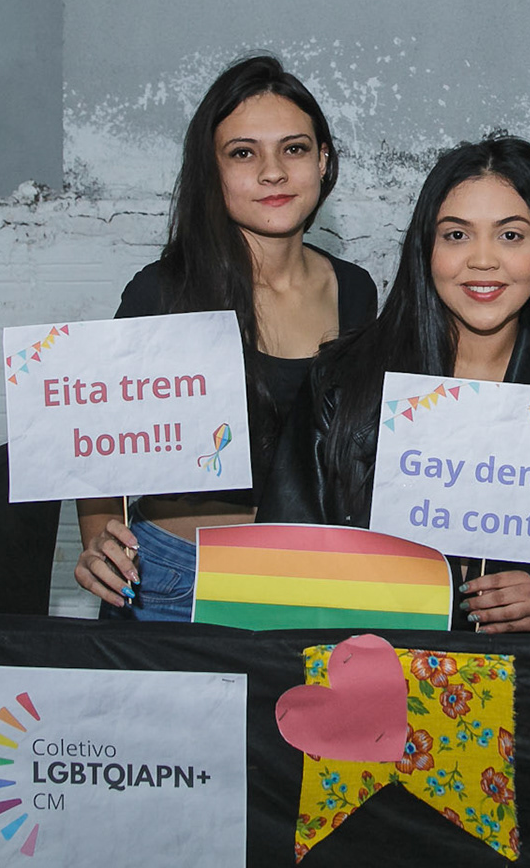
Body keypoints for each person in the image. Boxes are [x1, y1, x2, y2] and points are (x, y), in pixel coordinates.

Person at [261, 138, 530, 634]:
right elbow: (282, 563)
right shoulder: (344, 381)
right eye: (457, 235)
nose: (483, 260)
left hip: (527, 676)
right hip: (368, 665)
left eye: (511, 235)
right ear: (426, 248)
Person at [74, 56, 377, 619]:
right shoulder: (162, 292)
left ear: (322, 159)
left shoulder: (356, 290)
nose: (272, 172)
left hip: (315, 579)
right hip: (173, 581)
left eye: (293, 149)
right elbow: (98, 437)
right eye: (243, 153)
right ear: (210, 171)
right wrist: (99, 535)